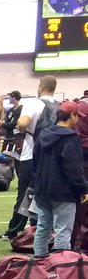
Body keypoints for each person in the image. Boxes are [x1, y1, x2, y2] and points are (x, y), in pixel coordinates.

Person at [1, 75, 58, 239]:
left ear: (40, 87)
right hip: (53, 157)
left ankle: (14, 230)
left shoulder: (33, 103)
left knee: (25, 193)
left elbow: (23, 123)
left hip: (31, 153)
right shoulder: (60, 106)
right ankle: (43, 228)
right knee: (47, 193)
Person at [31, 102, 88, 258]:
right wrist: (83, 188)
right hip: (64, 191)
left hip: (43, 190)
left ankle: (39, 263)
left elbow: (34, 162)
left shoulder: (43, 134)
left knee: (43, 228)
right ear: (72, 116)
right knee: (63, 230)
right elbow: (74, 168)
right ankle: (60, 268)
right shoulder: (70, 138)